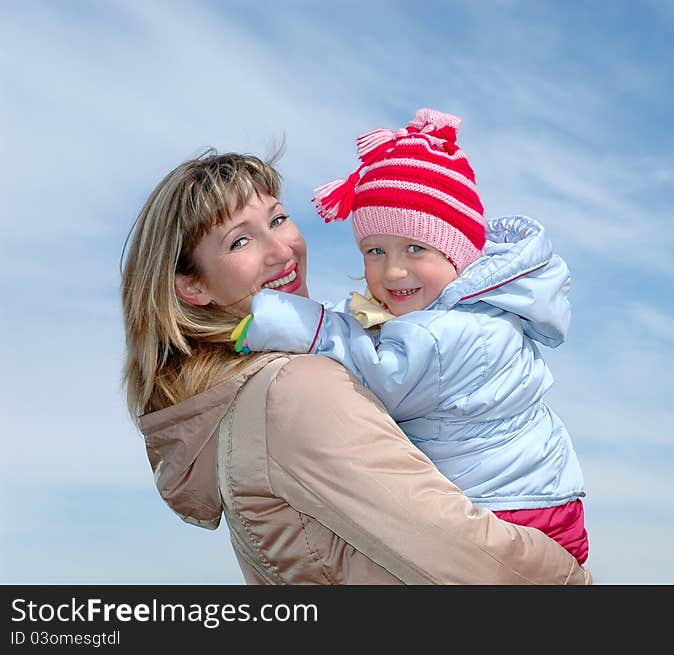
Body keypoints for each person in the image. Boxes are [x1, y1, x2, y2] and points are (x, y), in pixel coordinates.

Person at [120, 147, 592, 585]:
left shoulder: (236, 399)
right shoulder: (291, 391)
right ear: (193, 288)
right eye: (240, 241)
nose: (283, 250)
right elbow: (477, 561)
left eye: (279, 219)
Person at [233, 108, 589, 564]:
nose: (393, 269)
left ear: (458, 250)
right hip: (526, 499)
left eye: (415, 249)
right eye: (374, 251)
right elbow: (364, 327)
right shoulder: (449, 309)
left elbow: (381, 372)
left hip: (519, 512)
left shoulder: (459, 332)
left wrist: (291, 322)